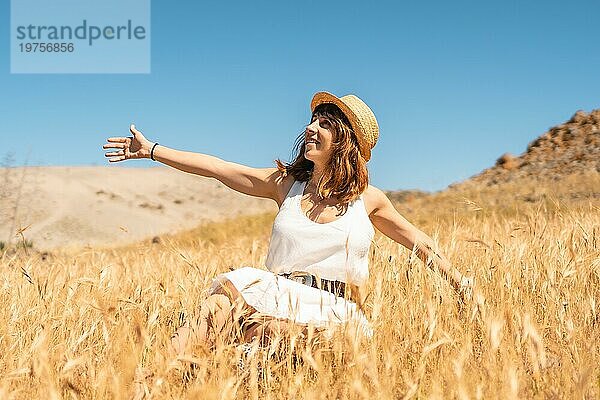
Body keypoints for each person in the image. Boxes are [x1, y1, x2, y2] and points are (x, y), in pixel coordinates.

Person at [102, 91, 473, 354]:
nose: (311, 128)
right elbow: (218, 168)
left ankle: (243, 339)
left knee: (300, 338)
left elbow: (420, 243)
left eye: (324, 123)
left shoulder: (370, 200)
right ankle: (150, 384)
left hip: (335, 308)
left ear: (344, 140)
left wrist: (461, 284)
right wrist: (152, 150)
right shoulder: (286, 185)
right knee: (218, 305)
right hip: (276, 293)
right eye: (312, 120)